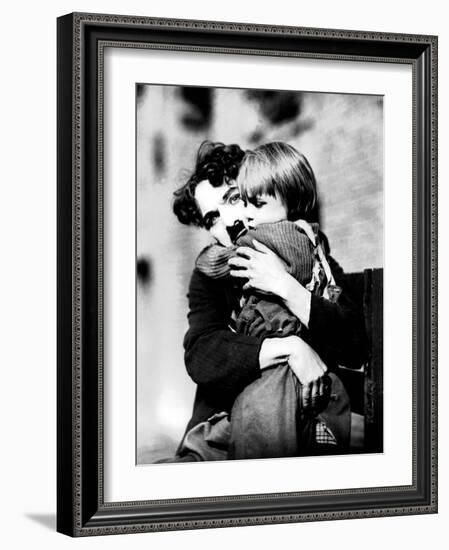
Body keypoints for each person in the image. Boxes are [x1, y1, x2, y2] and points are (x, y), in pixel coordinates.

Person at [170, 141, 367, 462]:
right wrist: (290, 348)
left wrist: (285, 286)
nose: (230, 221)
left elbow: (353, 341)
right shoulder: (212, 271)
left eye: (234, 199)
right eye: (212, 219)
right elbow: (202, 349)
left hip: (306, 413)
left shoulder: (307, 249)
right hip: (230, 420)